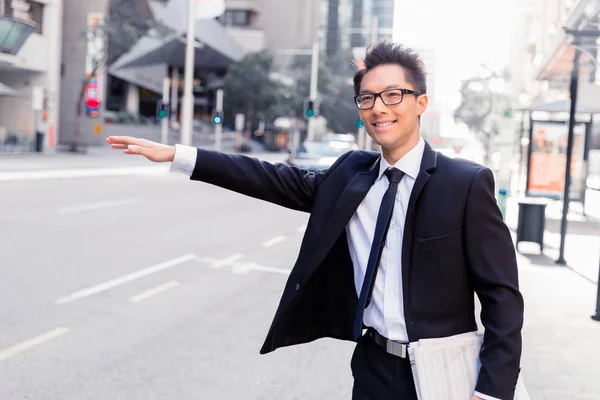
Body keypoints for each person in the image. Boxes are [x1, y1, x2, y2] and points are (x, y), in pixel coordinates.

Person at [107, 41, 524, 400]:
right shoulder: (351, 176)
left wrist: (491, 389)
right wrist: (181, 156)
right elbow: (270, 177)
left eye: (393, 95)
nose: (379, 108)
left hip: (444, 372)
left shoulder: (465, 184)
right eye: (367, 98)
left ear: (421, 102)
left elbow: (502, 297)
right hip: (374, 367)